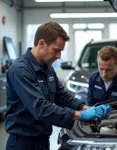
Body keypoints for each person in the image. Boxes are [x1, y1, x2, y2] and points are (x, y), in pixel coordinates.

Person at [5, 22, 111, 150]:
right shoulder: (20, 70)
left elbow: (62, 96)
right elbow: (40, 108)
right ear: (42, 44)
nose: (59, 56)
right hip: (22, 144)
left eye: (61, 51)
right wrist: (80, 115)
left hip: (42, 141)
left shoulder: (47, 68)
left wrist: (86, 108)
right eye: (56, 50)